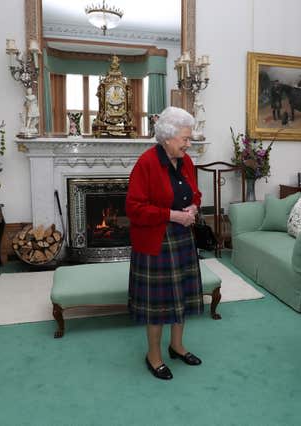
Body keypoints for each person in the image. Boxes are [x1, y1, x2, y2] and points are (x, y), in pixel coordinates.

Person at [125, 106, 203, 381]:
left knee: (180, 296)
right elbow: (134, 208)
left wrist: (193, 206)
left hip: (182, 237)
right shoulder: (146, 163)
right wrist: (172, 215)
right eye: (185, 138)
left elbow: (195, 192)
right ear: (168, 137)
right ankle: (154, 355)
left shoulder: (187, 161)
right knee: (157, 306)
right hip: (156, 240)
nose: (188, 143)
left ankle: (177, 346)